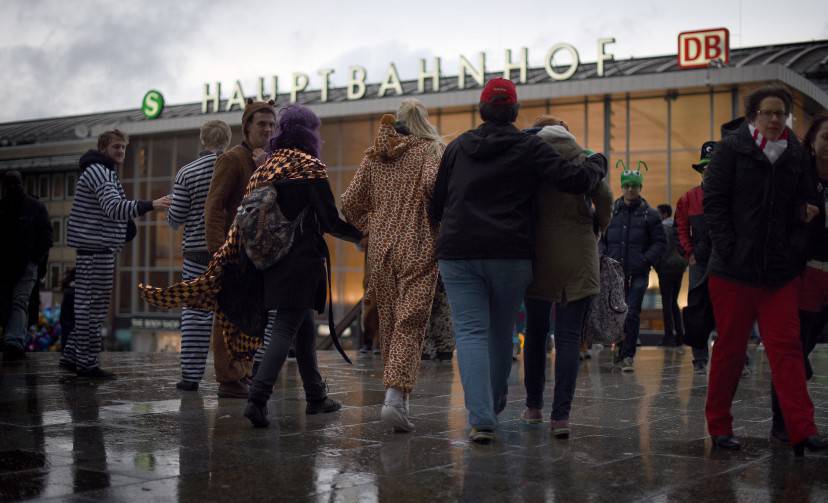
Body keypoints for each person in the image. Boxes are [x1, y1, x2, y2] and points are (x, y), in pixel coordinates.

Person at [429, 78, 607, 443]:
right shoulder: (528, 147)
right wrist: (598, 162)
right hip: (509, 254)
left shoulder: (458, 146)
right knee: (498, 331)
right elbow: (574, 180)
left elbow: (436, 203)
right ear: (514, 111)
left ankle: (483, 418)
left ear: (481, 110)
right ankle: (491, 406)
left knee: (470, 332)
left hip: (458, 251)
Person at [703, 85, 826, 455]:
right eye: (767, 113)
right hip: (732, 273)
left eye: (780, 113)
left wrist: (794, 249)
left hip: (779, 273)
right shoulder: (731, 149)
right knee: (731, 350)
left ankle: (802, 430)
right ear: (753, 115)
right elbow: (714, 203)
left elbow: (807, 204)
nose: (774, 119)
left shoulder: (795, 156)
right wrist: (731, 250)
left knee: (787, 349)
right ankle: (720, 426)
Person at [342, 99, 444, 432]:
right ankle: (395, 399)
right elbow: (433, 188)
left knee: (389, 324)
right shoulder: (429, 151)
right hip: (417, 244)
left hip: (381, 249)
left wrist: (369, 229)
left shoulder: (374, 156)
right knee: (409, 324)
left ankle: (398, 398)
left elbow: (349, 202)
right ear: (424, 121)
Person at [520, 116, 613, 438]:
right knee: (570, 337)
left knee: (535, 333)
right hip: (579, 251)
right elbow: (605, 197)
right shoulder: (582, 161)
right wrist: (598, 225)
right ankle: (561, 418)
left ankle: (533, 407)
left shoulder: (530, 160)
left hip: (539, 253)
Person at [61, 130, 169, 378]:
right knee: (92, 309)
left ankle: (71, 357)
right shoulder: (100, 172)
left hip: (97, 249)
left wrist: (124, 228)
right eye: (116, 147)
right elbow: (114, 208)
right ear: (103, 148)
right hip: (95, 250)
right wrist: (151, 204)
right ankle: (87, 366)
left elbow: (110, 210)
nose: (121, 152)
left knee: (91, 307)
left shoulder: (104, 171)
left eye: (123, 148)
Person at [204, 99, 275, 398]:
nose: (268, 130)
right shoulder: (232, 159)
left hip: (257, 253)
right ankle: (228, 378)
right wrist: (219, 251)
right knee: (229, 316)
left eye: (272, 124)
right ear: (247, 126)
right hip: (233, 252)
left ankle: (243, 372)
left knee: (250, 317)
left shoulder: (267, 159)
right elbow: (214, 207)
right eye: (262, 124)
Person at [769, 113, 828, 444]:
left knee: (799, 354)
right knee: (793, 351)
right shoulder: (799, 179)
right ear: (812, 143)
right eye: (826, 138)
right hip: (805, 274)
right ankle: (784, 422)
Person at [167, 120, 232, 391]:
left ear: (202, 140)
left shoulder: (186, 172)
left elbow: (176, 217)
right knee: (231, 315)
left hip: (196, 254)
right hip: (230, 251)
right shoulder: (234, 167)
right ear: (227, 140)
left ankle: (191, 377)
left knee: (195, 315)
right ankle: (233, 375)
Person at [600, 162, 666, 372]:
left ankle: (627, 354)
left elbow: (660, 242)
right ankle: (619, 349)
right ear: (622, 187)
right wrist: (604, 257)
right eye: (627, 185)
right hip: (616, 271)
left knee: (632, 312)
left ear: (640, 187)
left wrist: (645, 260)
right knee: (617, 312)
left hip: (638, 271)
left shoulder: (650, 214)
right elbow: (602, 237)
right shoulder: (612, 211)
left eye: (634, 186)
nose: (630, 189)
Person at [0, 170, 52, 361]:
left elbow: (46, 237)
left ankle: (13, 340)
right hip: (19, 264)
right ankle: (13, 339)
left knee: (17, 301)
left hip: (21, 264)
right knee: (17, 302)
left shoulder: (29, 207)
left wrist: (35, 259)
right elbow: (46, 236)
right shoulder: (34, 207)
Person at [675, 142, 717, 374]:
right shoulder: (688, 198)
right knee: (698, 308)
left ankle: (738, 359)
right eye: (705, 168)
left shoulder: (731, 195)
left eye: (713, 167)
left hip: (726, 261)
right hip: (700, 262)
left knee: (730, 310)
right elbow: (680, 228)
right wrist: (689, 254)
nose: (708, 171)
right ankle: (699, 357)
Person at [654, 203, 686, 348]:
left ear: (664, 213)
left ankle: (669, 336)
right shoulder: (677, 228)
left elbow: (659, 249)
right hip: (678, 268)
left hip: (666, 269)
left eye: (658, 213)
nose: (657, 216)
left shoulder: (662, 228)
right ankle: (680, 335)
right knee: (674, 302)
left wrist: (657, 266)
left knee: (666, 303)